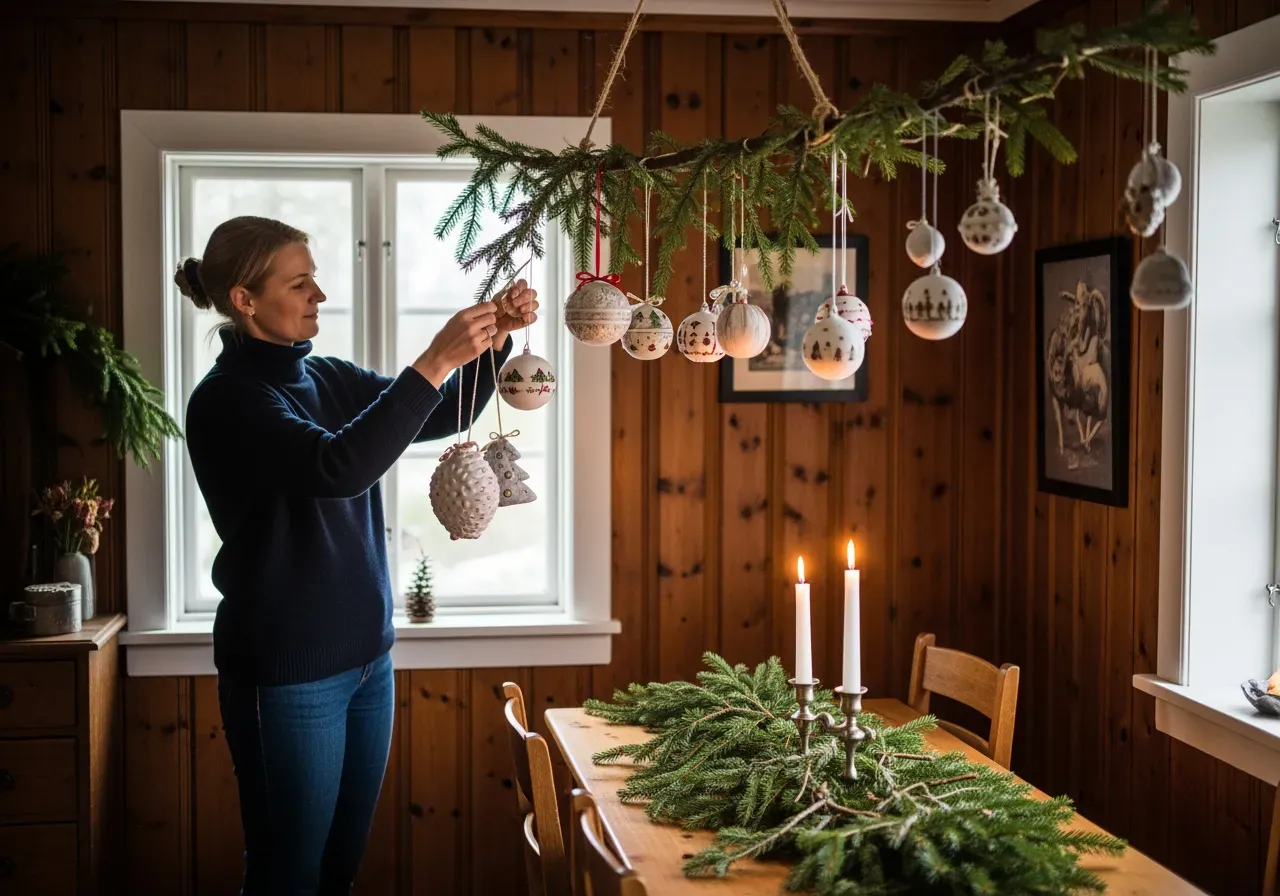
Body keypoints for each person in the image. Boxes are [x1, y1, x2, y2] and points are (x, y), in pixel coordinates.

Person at [175, 215, 538, 895]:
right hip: (288, 677)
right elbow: (337, 466)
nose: (320, 295)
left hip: (369, 662)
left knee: (338, 872)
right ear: (244, 299)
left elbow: (438, 415)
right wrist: (435, 358)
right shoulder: (227, 401)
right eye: (300, 282)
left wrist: (495, 340)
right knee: (289, 876)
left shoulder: (328, 377)